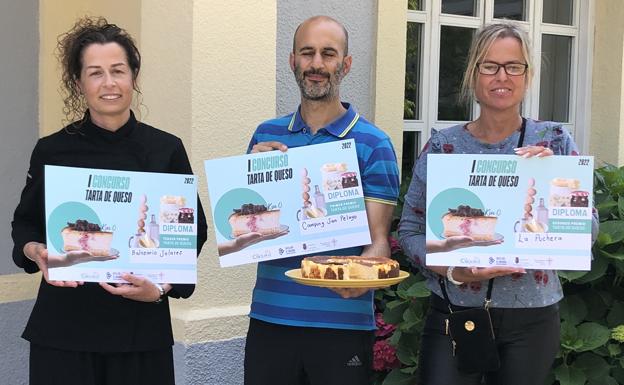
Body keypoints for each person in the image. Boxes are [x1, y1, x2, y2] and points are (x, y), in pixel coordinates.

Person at [398, 21, 598, 385]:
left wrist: (555, 181)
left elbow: (588, 231)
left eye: (513, 66)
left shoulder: (554, 141)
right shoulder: (445, 146)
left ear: (527, 74)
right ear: (473, 74)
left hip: (532, 320)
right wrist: (452, 269)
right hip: (454, 313)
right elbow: (410, 229)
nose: (501, 76)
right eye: (489, 66)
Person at [11, 17, 207, 385]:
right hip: (63, 333)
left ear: (134, 76)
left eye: (118, 70)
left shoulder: (165, 149)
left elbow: (192, 230)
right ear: (78, 83)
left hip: (140, 332)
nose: (109, 83)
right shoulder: (53, 150)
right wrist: (36, 251)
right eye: (95, 73)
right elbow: (24, 224)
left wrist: (161, 289)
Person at [243, 15, 400, 385]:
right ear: (293, 61)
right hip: (270, 320)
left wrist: (364, 278)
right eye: (308, 53)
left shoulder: (373, 143)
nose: (316, 64)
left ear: (345, 65)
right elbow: (253, 228)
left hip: (341, 323)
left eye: (328, 54)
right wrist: (253, 179)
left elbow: (378, 240)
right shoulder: (266, 135)